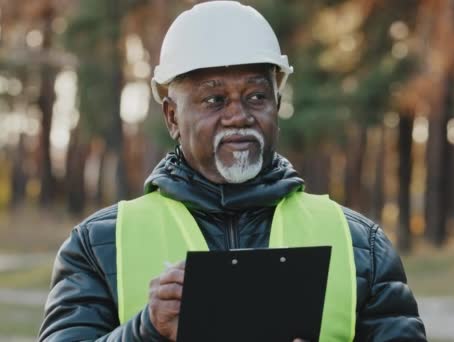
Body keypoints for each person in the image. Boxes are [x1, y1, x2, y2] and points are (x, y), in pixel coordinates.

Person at [38, 2, 426, 341]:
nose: (239, 116)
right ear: (172, 116)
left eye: (256, 96)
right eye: (214, 99)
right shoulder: (99, 245)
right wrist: (146, 332)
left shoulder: (361, 245)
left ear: (277, 103)